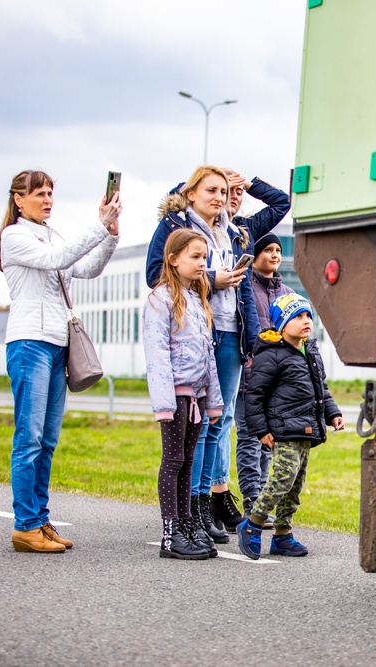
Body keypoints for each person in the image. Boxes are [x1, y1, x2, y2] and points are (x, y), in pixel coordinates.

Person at [145, 166, 290, 543]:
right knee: (196, 427)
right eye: (211, 190)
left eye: (224, 191)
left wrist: (250, 182)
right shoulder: (178, 224)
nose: (220, 197)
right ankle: (186, 510)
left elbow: (281, 203)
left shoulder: (236, 229)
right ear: (191, 193)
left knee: (220, 420)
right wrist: (213, 279)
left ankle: (204, 504)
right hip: (196, 329)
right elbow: (155, 274)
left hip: (232, 330)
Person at [0, 169, 120, 553]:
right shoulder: (14, 236)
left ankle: (40, 518)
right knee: (28, 438)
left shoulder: (52, 236)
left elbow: (85, 268)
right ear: (18, 199)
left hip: (56, 344)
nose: (48, 200)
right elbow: (58, 259)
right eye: (39, 194)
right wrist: (97, 226)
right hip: (29, 342)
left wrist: (111, 233)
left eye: (51, 193)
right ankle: (25, 525)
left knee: (47, 440)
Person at [236, 294, 344, 560]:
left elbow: (322, 390)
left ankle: (283, 535)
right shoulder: (271, 355)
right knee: (283, 477)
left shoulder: (312, 352)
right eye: (298, 317)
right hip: (282, 430)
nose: (306, 321)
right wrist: (261, 430)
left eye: (308, 316)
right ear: (282, 325)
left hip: (306, 430)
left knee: (294, 486)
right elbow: (255, 395)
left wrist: (333, 414)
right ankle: (252, 524)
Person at [142, 229, 224, 560]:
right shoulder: (160, 300)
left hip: (197, 395)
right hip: (174, 396)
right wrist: (164, 403)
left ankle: (188, 524)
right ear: (174, 260)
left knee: (188, 461)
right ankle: (170, 532)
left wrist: (213, 400)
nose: (202, 263)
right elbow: (157, 355)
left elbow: (208, 356)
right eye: (195, 256)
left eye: (204, 257)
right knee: (173, 460)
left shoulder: (198, 299)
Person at [234, 232, 296, 521]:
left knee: (268, 443)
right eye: (268, 250)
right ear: (255, 255)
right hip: (249, 376)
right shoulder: (245, 286)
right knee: (249, 438)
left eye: (278, 250)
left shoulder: (286, 293)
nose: (274, 255)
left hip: (277, 380)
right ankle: (251, 498)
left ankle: (261, 502)